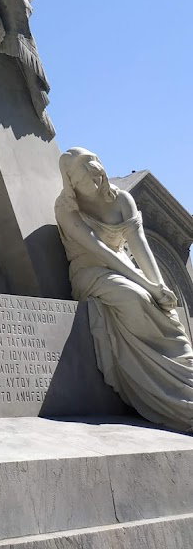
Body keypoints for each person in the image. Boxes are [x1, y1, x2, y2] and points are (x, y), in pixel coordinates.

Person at [55, 147, 193, 432]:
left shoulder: (123, 200)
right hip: (90, 271)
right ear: (71, 183)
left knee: (165, 311)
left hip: (124, 267)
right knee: (136, 298)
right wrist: (148, 286)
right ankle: (164, 395)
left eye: (96, 177)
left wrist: (161, 287)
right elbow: (102, 252)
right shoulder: (66, 209)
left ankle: (185, 379)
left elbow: (140, 248)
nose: (93, 185)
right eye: (84, 181)